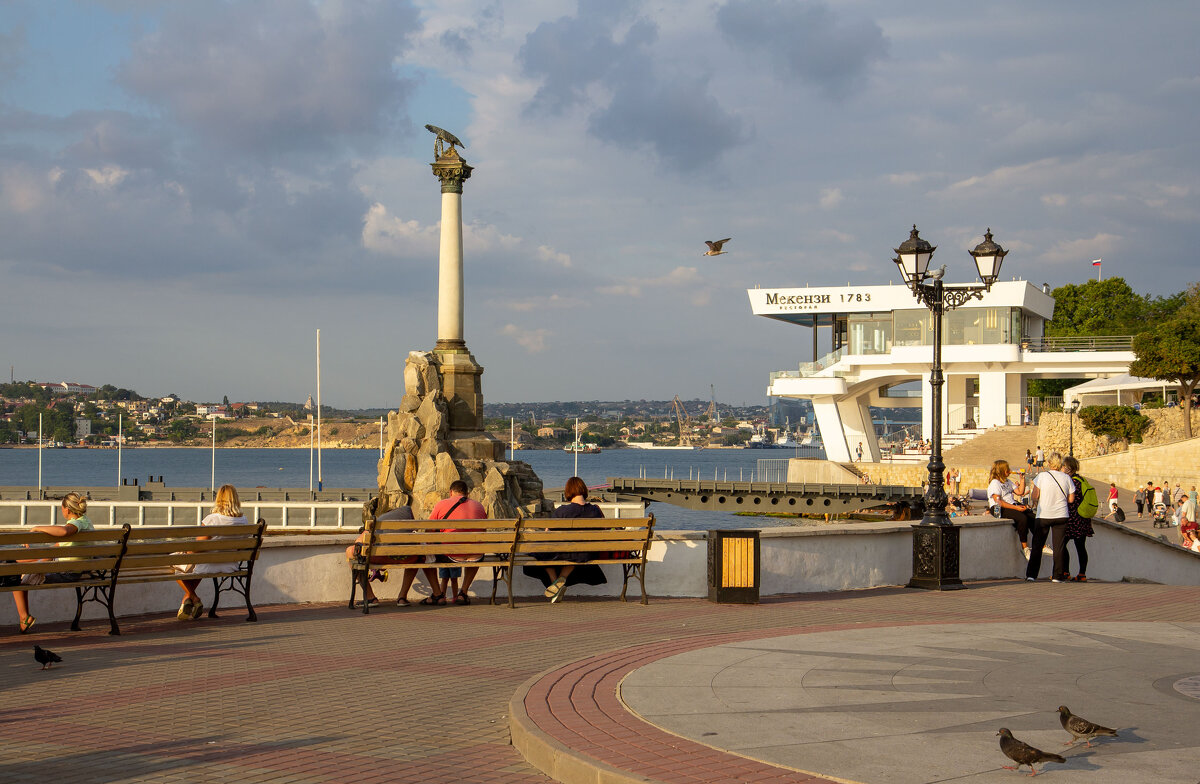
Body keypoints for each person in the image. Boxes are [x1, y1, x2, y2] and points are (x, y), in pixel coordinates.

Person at [9, 491, 94, 634]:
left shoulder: (76, 525)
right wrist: (20, 559)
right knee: (17, 566)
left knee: (15, 578)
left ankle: (24, 618)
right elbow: (52, 551)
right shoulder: (86, 522)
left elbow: (64, 531)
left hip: (67, 573)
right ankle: (24, 618)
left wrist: (37, 528)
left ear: (66, 509)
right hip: (75, 569)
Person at [523, 476, 608, 603]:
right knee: (575, 552)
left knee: (540, 552)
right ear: (584, 490)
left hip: (567, 552)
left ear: (568, 491)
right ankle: (561, 579)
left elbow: (547, 534)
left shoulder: (562, 511)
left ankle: (554, 583)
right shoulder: (595, 510)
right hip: (587, 553)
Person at [176, 484, 249, 621]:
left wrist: (186, 551)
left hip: (209, 565)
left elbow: (198, 547)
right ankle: (187, 600)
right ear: (235, 499)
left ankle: (193, 597)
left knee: (174, 562)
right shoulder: (243, 520)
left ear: (218, 499)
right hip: (230, 566)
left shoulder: (212, 519)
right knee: (199, 565)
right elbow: (241, 547)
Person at [345, 505, 442, 608]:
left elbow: (358, 543)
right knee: (417, 554)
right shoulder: (408, 513)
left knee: (350, 552)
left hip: (380, 557)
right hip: (408, 558)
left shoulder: (379, 520)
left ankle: (370, 597)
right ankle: (402, 597)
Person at [428, 480, 487, 605]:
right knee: (476, 551)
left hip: (451, 555)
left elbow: (429, 530)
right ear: (467, 493)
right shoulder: (479, 506)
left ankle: (438, 595)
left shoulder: (441, 504)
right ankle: (463, 593)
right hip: (476, 556)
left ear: (451, 492)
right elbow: (483, 531)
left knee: (425, 556)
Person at [1026, 451, 1073, 583]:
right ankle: (1058, 576)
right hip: (1061, 515)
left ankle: (1031, 575)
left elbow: (1034, 496)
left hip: (1044, 515)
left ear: (1049, 463)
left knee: (1037, 545)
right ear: (1060, 464)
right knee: (1059, 547)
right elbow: (1071, 499)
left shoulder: (1042, 476)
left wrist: (1037, 501)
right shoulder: (1066, 478)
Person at [988, 460, 1032, 559]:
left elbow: (1020, 492)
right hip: (997, 508)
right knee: (1022, 518)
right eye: (1007, 469)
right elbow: (998, 501)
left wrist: (1022, 479)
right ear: (1002, 471)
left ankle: (1041, 545)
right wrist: (1016, 508)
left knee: (1031, 515)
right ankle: (1025, 548)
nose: (1009, 471)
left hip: (1011, 504)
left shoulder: (1007, 481)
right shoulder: (995, 483)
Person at [1061, 456, 1094, 581]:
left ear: (1068, 468)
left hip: (1073, 518)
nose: (1062, 469)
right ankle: (1082, 574)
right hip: (1083, 518)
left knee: (1062, 544)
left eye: (1063, 466)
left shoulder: (1072, 482)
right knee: (1080, 546)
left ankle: (1065, 572)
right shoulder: (1082, 480)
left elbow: (1070, 500)